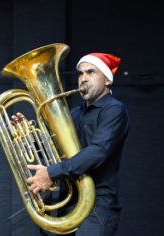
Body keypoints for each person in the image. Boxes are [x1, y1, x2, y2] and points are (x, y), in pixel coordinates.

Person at [26, 52, 130, 235]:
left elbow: (98, 151)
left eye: (90, 72)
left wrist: (52, 172)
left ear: (107, 80)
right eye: (80, 74)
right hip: (69, 202)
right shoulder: (75, 113)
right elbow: (52, 149)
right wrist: (29, 136)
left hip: (98, 205)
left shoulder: (114, 110)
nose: (83, 79)